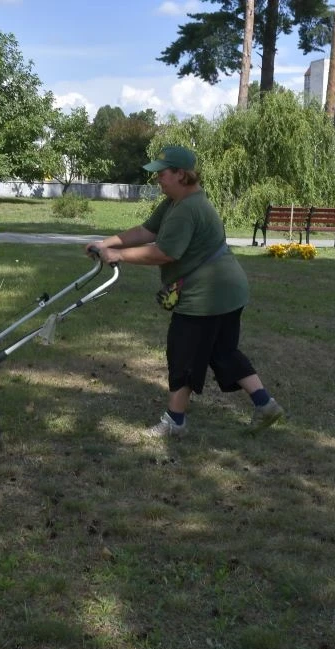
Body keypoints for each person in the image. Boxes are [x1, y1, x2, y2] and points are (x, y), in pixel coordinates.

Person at [86, 145, 284, 438]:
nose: (158, 179)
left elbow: (165, 252)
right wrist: (108, 243)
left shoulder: (187, 209)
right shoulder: (176, 202)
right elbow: (145, 232)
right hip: (228, 290)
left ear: (181, 174)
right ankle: (265, 405)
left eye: (162, 174)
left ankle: (175, 421)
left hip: (208, 295)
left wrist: (119, 256)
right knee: (222, 351)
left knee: (184, 353)